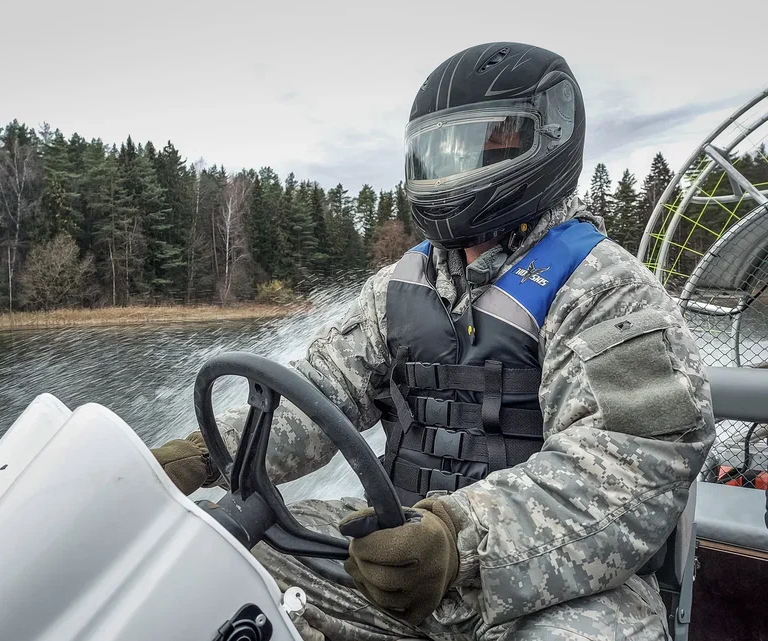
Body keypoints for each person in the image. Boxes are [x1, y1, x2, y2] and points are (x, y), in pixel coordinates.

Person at [153, 42, 715, 641]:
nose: (452, 170)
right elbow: (319, 392)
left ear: (549, 140)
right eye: (437, 151)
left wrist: (456, 537)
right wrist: (205, 456)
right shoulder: (395, 288)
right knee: (220, 552)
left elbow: (628, 468)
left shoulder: (607, 289)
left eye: (483, 144)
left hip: (543, 583)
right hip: (399, 554)